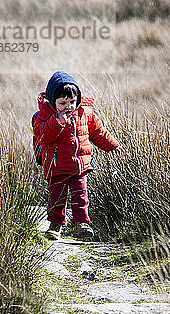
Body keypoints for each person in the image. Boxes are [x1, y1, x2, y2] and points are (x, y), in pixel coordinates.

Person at [33, 70, 123, 240]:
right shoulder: (44, 117)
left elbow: (98, 132)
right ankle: (55, 226)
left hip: (80, 165)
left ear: (78, 99)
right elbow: (44, 136)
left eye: (72, 101)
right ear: (53, 101)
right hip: (57, 166)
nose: (68, 107)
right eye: (62, 103)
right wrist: (58, 121)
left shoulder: (84, 113)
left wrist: (112, 146)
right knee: (57, 198)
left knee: (81, 196)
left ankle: (81, 224)